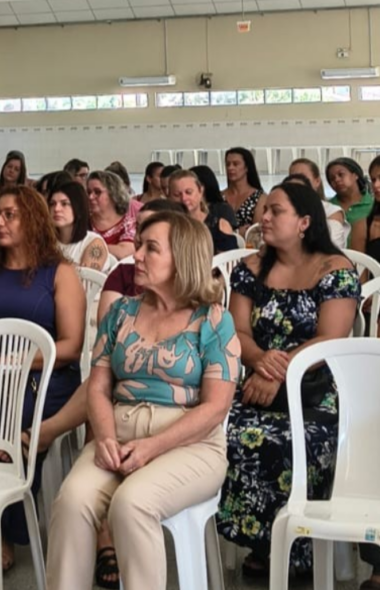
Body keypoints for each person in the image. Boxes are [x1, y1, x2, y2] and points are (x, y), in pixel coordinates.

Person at [46, 212, 239, 590]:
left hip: (190, 443)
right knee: (71, 502)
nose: (137, 255)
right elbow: (98, 386)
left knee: (132, 504)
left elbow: (216, 408)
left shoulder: (214, 320)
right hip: (118, 434)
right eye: (139, 245)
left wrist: (151, 447)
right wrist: (103, 438)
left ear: (182, 257)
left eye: (151, 248)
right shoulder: (121, 313)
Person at [216, 182, 360, 578]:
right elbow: (237, 333)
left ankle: (301, 546)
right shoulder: (250, 269)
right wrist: (262, 362)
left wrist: (278, 374)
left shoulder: (335, 270)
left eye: (274, 211)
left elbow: (329, 338)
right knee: (227, 432)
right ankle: (262, 541)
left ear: (304, 222)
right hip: (259, 386)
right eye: (263, 210)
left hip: (318, 393)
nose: (263, 218)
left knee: (298, 440)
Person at [0, 185, 85, 573]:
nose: (0, 221)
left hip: (43, 376)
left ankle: (2, 529)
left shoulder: (59, 272)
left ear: (34, 220)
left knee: (12, 418)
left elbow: (72, 344)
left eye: (11, 215)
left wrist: (20, 361)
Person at [167, 169, 239, 253]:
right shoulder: (165, 226)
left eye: (189, 192)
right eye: (177, 195)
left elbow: (229, 261)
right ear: (169, 197)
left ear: (200, 191)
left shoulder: (220, 226)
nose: (184, 198)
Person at [49, 180, 110, 271]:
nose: (56, 209)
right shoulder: (46, 241)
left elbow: (85, 283)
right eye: (53, 204)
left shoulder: (94, 243)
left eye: (64, 204)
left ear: (78, 207)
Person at [88, 171, 136, 259]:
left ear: (114, 193)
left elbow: (124, 253)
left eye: (97, 192)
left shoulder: (129, 224)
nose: (90, 197)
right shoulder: (83, 222)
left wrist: (89, 249)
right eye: (88, 192)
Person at [223, 147, 266, 233]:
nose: (230, 168)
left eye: (235, 164)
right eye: (228, 164)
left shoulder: (259, 198)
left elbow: (257, 231)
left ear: (246, 167)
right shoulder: (219, 197)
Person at [326, 156, 373, 225]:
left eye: (341, 174)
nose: (337, 180)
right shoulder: (326, 208)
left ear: (355, 175)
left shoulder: (374, 204)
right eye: (332, 178)